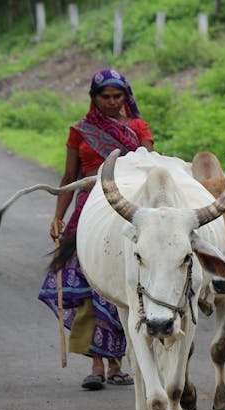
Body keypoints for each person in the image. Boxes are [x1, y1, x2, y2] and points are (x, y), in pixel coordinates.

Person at [38, 69, 154, 390]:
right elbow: (69, 177)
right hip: (88, 211)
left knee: (123, 282)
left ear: (126, 96)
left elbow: (147, 166)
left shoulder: (137, 128)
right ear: (94, 98)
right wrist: (58, 216)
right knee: (91, 287)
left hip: (125, 208)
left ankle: (118, 363)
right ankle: (96, 364)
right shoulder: (80, 131)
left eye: (118, 96)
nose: (113, 103)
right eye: (106, 97)